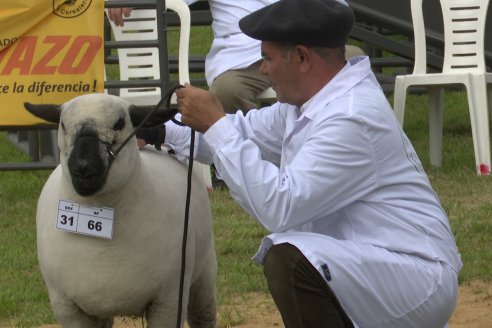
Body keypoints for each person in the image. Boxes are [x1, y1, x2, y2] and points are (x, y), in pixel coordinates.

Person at [146, 0, 463, 326]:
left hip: (415, 276)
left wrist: (215, 124)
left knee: (291, 259)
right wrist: (155, 130)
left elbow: (281, 206)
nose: (263, 70)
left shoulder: (351, 116)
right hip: (374, 263)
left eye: (267, 58)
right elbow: (245, 131)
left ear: (301, 58)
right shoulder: (316, 99)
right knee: (296, 256)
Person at [107, 0, 365, 114]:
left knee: (354, 60)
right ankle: (250, 153)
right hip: (240, 55)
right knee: (227, 90)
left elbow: (336, 9)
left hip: (299, 50)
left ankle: (335, 136)